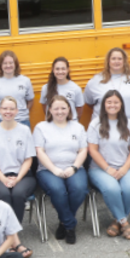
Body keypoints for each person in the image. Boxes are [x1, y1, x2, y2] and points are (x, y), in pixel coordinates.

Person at [0, 97, 36, 258]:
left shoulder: (24, 130)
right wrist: (4, 179)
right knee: (4, 194)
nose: (8, 112)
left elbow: (29, 159)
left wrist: (17, 178)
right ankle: (14, 241)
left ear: (17, 111)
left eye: (11, 109)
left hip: (23, 175)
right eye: (5, 108)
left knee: (18, 194)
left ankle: (10, 238)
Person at [86, 91, 130, 241]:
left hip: (125, 166)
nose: (112, 105)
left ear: (121, 105)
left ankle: (117, 222)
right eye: (109, 102)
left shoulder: (129, 123)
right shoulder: (95, 124)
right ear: (104, 104)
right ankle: (124, 223)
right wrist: (107, 168)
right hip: (100, 168)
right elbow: (92, 150)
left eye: (116, 102)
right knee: (112, 188)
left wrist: (124, 169)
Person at [34, 96, 89, 244]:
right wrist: (54, 170)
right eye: (56, 108)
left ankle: (63, 223)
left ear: (69, 109)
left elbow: (83, 150)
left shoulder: (78, 127)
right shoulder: (41, 127)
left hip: (74, 166)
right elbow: (40, 152)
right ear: (49, 110)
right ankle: (70, 225)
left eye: (63, 108)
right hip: (48, 169)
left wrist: (74, 167)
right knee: (57, 190)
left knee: (79, 189)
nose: (60, 111)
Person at [83, 47, 130, 134]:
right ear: (108, 61)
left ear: (124, 61)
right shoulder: (95, 81)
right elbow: (89, 102)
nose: (116, 61)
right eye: (113, 59)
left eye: (119, 59)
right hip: (104, 131)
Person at [0, 50, 34, 126]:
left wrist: (21, 113)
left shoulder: (25, 81)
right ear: (0, 65)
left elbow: (30, 100)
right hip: (0, 122)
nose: (8, 65)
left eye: (11, 63)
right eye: (5, 63)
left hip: (22, 122)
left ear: (15, 64)